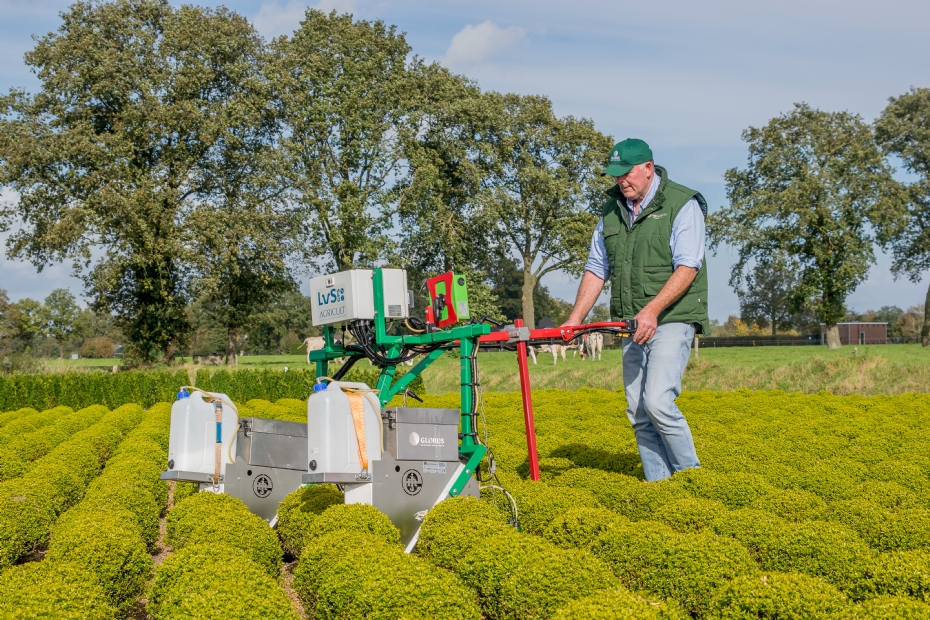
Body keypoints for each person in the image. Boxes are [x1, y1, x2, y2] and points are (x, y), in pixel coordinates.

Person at [563, 138, 708, 481]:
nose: (621, 181)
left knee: (658, 402)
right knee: (639, 411)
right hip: (631, 322)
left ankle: (692, 479)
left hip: (672, 316)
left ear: (648, 168)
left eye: (626, 173)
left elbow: (688, 266)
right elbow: (597, 268)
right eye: (615, 176)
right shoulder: (610, 212)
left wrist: (652, 310)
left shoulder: (681, 204)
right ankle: (659, 483)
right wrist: (574, 320)